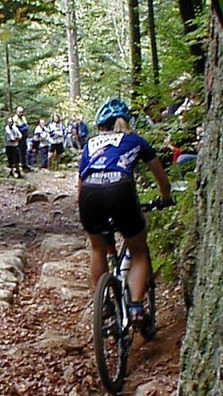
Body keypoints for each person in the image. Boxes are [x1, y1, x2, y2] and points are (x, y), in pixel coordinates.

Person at [78, 98, 172, 324]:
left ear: (101, 126)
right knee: (138, 250)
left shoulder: (90, 144)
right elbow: (161, 177)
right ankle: (136, 307)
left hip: (89, 195)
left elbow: (80, 183)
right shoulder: (135, 140)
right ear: (125, 121)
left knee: (97, 249)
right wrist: (166, 197)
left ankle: (103, 305)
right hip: (121, 190)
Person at [13, 106, 30, 172]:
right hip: (19, 138)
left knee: (24, 151)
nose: (21, 113)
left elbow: (26, 126)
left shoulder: (23, 118)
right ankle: (19, 165)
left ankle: (24, 164)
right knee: (19, 151)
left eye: (22, 112)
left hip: (24, 137)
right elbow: (15, 128)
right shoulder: (15, 119)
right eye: (20, 112)